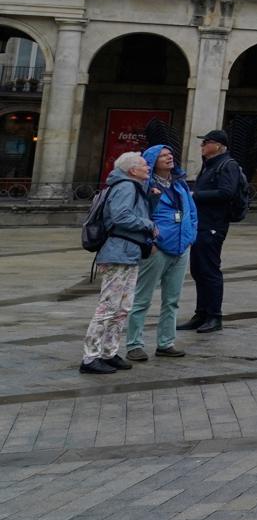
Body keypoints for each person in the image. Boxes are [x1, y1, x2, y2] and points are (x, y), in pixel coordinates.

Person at [80, 151, 156, 374]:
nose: (148, 168)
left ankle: (109, 352)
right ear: (132, 170)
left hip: (128, 253)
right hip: (118, 253)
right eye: (144, 165)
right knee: (108, 307)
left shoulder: (134, 187)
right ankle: (90, 358)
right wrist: (148, 225)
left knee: (122, 307)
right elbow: (121, 216)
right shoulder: (126, 187)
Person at [125, 144, 196, 362]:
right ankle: (134, 344)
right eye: (163, 155)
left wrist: (190, 236)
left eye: (170, 154)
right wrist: (150, 242)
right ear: (152, 161)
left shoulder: (179, 183)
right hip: (157, 249)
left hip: (181, 248)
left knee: (172, 300)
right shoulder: (145, 186)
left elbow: (192, 212)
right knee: (142, 299)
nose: (168, 158)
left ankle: (166, 343)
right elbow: (138, 215)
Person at [184, 129, 249, 335]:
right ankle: (201, 313)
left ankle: (214, 315)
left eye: (206, 142)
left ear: (218, 146)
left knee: (210, 270)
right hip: (201, 224)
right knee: (198, 269)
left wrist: (195, 195)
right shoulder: (210, 165)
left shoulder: (227, 165)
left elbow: (226, 192)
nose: (202, 146)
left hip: (213, 224)